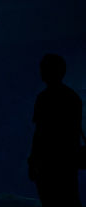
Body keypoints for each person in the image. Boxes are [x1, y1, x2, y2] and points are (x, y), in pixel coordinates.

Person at [28, 54, 83, 207]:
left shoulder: (44, 98)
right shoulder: (73, 97)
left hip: (48, 162)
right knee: (70, 198)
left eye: (43, 68)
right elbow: (74, 132)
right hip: (68, 161)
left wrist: (33, 160)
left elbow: (40, 132)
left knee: (50, 200)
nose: (40, 72)